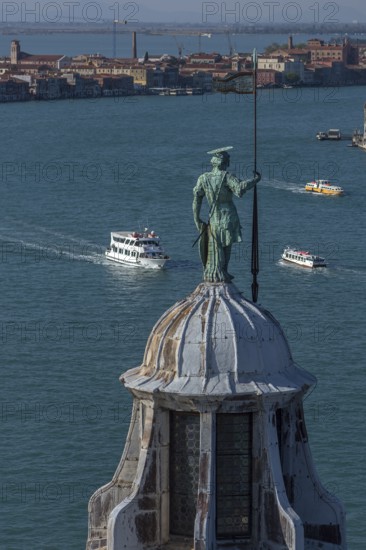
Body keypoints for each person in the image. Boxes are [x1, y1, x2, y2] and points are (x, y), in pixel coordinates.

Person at [193, 146, 261, 283]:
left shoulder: (203, 178)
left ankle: (215, 272)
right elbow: (240, 190)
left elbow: (196, 199)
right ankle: (222, 271)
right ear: (224, 162)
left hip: (213, 218)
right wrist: (255, 179)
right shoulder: (227, 176)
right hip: (228, 216)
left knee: (215, 244)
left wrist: (196, 218)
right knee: (226, 245)